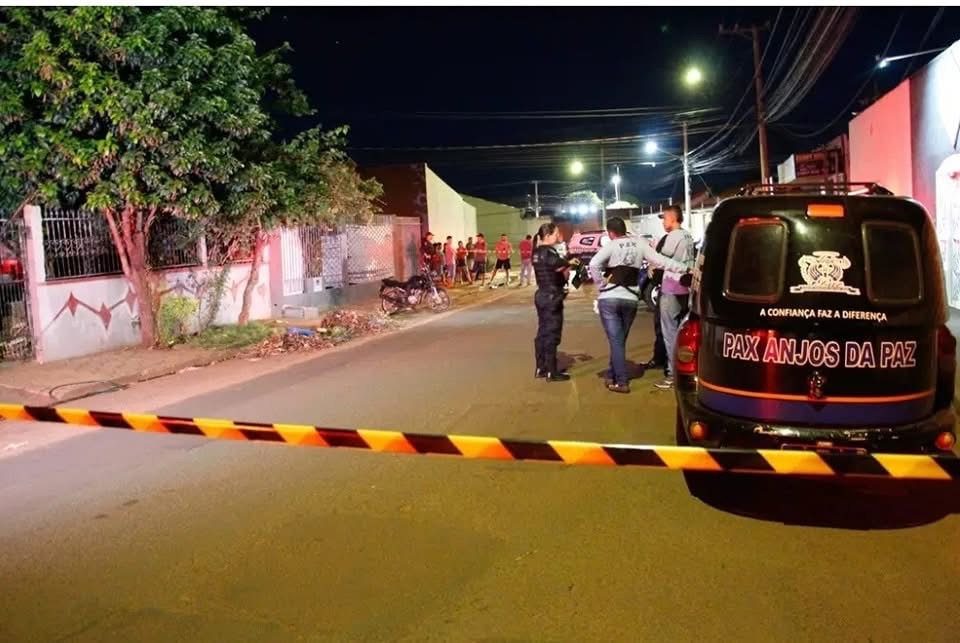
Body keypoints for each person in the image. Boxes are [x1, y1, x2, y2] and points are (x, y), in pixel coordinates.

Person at [588, 217, 690, 394]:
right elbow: (661, 261)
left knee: (616, 341)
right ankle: (613, 373)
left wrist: (601, 284)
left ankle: (621, 381)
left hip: (610, 299)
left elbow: (593, 263)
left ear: (611, 233)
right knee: (619, 340)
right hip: (630, 300)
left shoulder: (611, 246)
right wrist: (685, 269)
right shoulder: (640, 243)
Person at [653, 205, 695, 390]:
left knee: (669, 333)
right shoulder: (687, 235)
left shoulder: (674, 236)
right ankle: (686, 370)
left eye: (664, 218)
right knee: (681, 332)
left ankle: (672, 374)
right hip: (685, 289)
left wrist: (652, 250)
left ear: (672, 218)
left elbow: (661, 259)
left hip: (672, 287)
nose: (663, 222)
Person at [532, 223, 578, 382]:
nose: (558, 236)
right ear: (548, 235)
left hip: (541, 295)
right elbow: (560, 268)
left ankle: (540, 367)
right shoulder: (549, 252)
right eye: (556, 233)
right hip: (552, 296)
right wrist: (570, 262)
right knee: (552, 334)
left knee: (542, 332)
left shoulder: (536, 252)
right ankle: (552, 371)